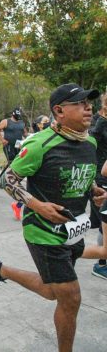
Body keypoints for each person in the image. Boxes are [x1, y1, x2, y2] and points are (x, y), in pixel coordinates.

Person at [0, 83, 107, 352]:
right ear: (59, 111)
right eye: (81, 103)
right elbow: (6, 179)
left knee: (53, 291)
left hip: (73, 229)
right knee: (71, 297)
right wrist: (37, 205)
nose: (89, 108)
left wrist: (93, 189)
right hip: (42, 231)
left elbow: (81, 176)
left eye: (89, 103)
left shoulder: (90, 142)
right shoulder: (40, 144)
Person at [0, 107, 27, 220]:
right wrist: (2, 140)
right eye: (16, 116)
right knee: (11, 163)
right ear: (13, 114)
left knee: (12, 164)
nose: (17, 118)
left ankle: (1, 178)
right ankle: (3, 179)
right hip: (8, 145)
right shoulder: (6, 121)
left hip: (18, 146)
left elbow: (25, 134)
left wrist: (26, 140)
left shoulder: (22, 123)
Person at [89, 93, 107, 279]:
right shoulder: (96, 120)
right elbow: (90, 141)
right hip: (101, 176)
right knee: (105, 223)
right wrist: (101, 123)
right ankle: (101, 264)